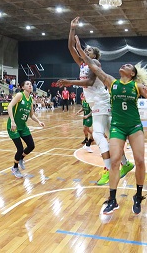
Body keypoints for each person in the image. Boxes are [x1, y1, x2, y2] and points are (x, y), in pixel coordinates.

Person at [74, 34, 147, 215]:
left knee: (140, 161)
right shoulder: (111, 83)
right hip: (118, 127)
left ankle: (138, 196)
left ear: (133, 73)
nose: (124, 65)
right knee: (114, 161)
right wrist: (80, 50)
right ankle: (112, 200)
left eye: (128, 66)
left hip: (135, 127)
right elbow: (92, 66)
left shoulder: (136, 87)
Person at [58, 17, 134, 185]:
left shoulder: (95, 63)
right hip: (96, 103)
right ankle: (126, 164)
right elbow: (70, 47)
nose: (87, 50)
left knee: (98, 135)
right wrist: (72, 29)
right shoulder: (82, 65)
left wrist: (70, 82)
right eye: (86, 49)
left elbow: (89, 82)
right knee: (108, 136)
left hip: (101, 102)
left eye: (89, 50)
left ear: (95, 55)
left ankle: (107, 169)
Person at [7, 80, 45, 178]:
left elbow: (31, 115)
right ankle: (15, 168)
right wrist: (12, 120)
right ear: (23, 87)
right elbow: (10, 106)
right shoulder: (20, 95)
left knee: (31, 145)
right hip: (13, 126)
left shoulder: (30, 99)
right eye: (27, 84)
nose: (30, 85)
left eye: (31, 84)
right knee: (20, 149)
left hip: (23, 126)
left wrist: (39, 121)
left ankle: (21, 159)